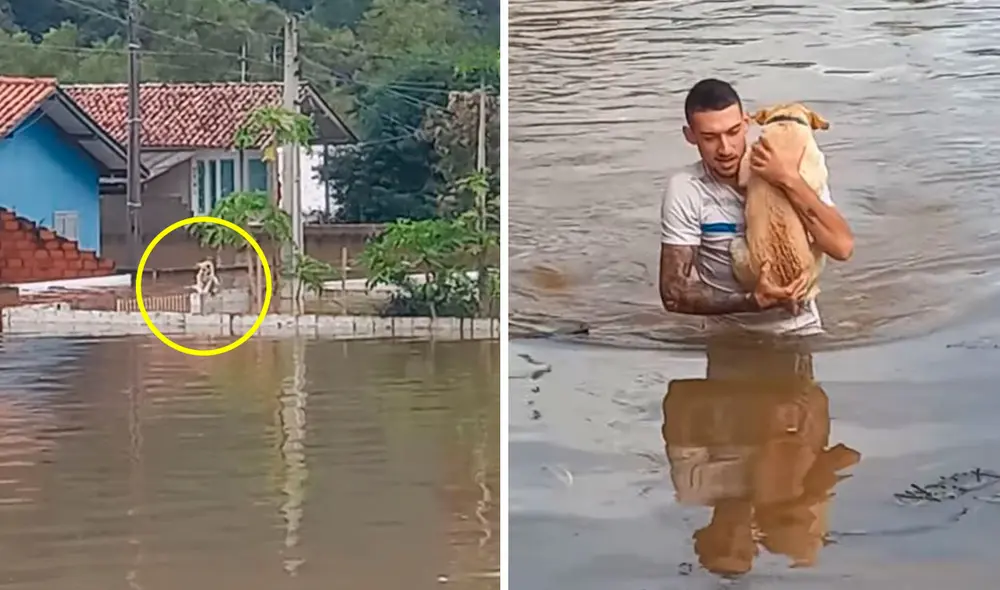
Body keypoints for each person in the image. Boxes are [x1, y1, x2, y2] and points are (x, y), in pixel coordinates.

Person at [658, 78, 855, 335]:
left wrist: (788, 180)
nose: (725, 148)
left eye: (732, 132)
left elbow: (842, 248)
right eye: (710, 138)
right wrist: (753, 301)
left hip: (802, 330)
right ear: (690, 136)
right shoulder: (687, 189)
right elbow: (673, 294)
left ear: (746, 123)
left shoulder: (790, 165)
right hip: (730, 338)